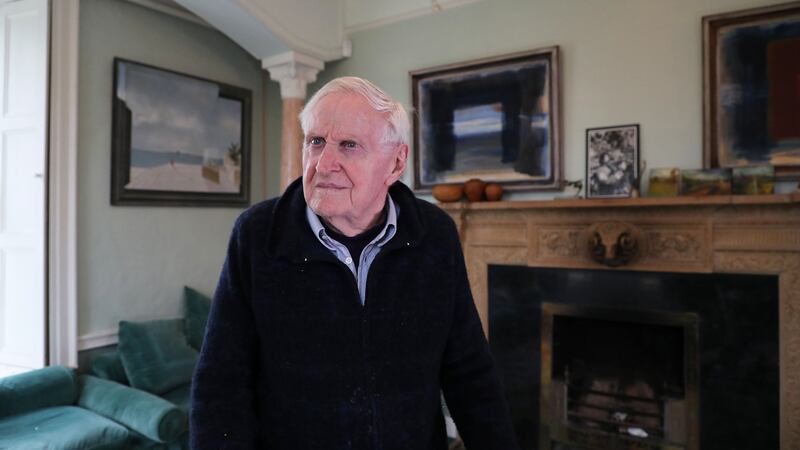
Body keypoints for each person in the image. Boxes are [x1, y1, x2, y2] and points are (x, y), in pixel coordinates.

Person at [190, 76, 519, 449]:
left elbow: (469, 371)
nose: (324, 163)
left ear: (396, 163)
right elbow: (221, 383)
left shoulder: (434, 235)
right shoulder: (258, 235)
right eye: (316, 142)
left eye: (349, 145)